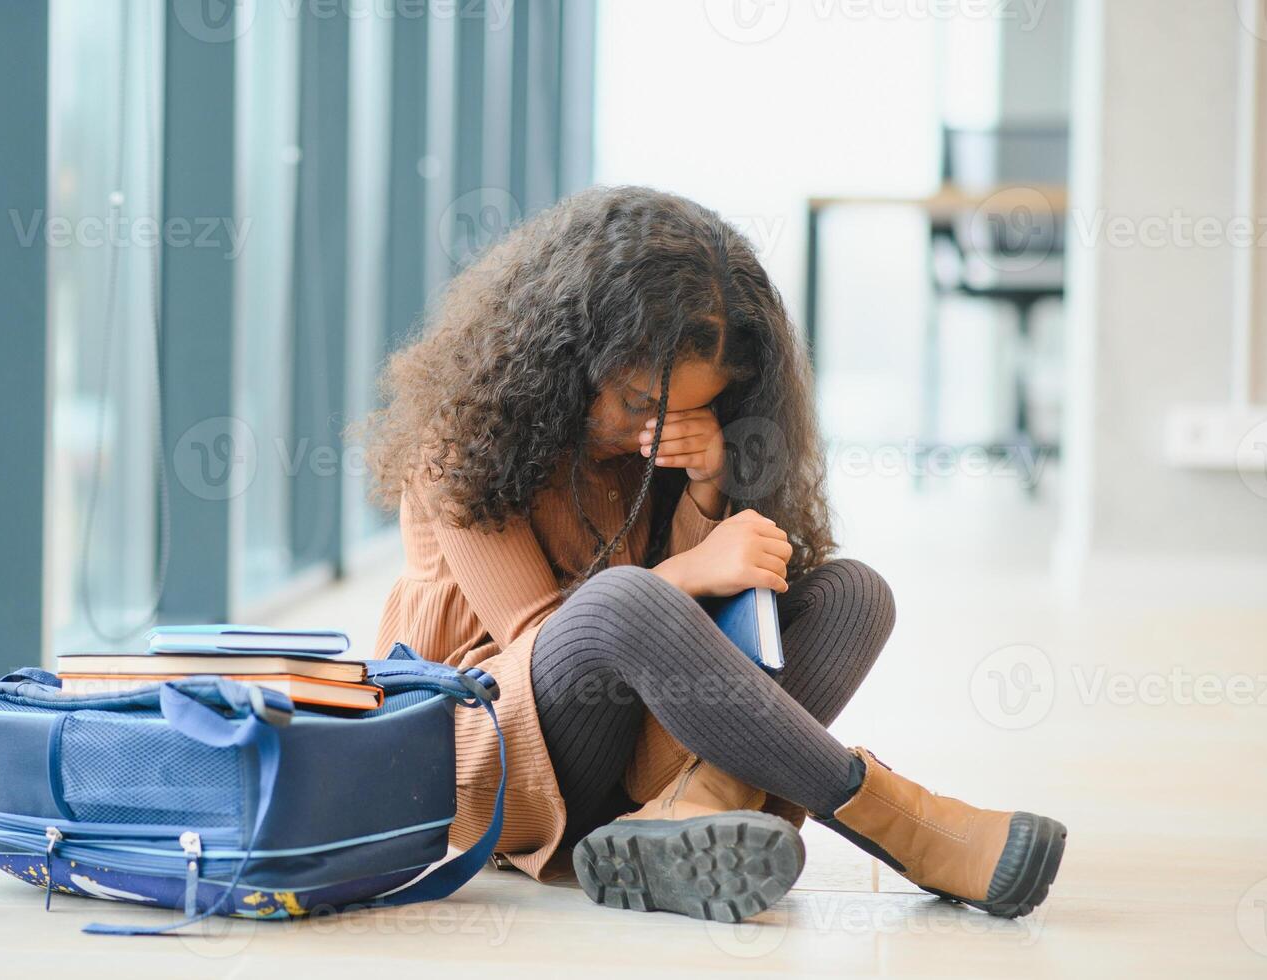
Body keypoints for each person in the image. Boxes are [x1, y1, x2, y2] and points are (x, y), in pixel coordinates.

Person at [364, 186, 1066, 924]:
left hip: (631, 754)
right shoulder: (460, 450)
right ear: (567, 353)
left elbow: (687, 631)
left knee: (852, 593)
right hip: (491, 757)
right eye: (638, 400)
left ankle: (684, 809)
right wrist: (687, 571)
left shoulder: (658, 455)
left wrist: (705, 491)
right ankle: (902, 825)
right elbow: (548, 637)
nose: (655, 426)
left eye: (687, 408)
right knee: (625, 600)